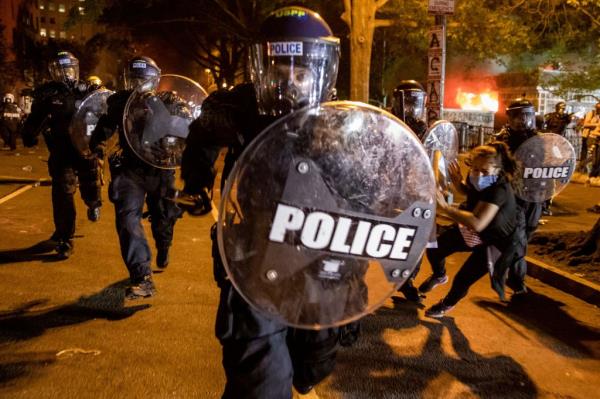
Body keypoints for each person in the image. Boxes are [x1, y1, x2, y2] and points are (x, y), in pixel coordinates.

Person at [181, 6, 344, 398]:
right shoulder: (239, 108)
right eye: (279, 73)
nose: (291, 84)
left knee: (310, 369)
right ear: (261, 71)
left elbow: (365, 184)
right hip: (255, 259)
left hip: (320, 265)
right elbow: (202, 135)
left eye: (302, 73)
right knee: (261, 382)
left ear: (320, 73)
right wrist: (197, 184)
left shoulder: (342, 120)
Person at [89, 56, 183, 299]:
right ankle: (142, 276)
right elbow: (105, 127)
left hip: (160, 169)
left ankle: (164, 245)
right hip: (131, 170)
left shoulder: (168, 100)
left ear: (155, 80)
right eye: (135, 79)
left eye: (144, 79)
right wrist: (95, 143)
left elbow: (182, 128)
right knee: (126, 219)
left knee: (164, 217)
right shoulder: (120, 101)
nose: (139, 84)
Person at [21, 51, 103, 259]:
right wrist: (29, 135)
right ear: (54, 73)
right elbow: (35, 118)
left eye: (69, 69)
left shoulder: (88, 90)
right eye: (62, 70)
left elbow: (103, 113)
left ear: (76, 69)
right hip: (61, 150)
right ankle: (65, 237)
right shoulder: (48, 94)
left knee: (90, 185)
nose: (66, 74)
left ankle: (93, 203)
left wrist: (101, 143)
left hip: (85, 148)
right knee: (63, 193)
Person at [423, 142, 518, 317]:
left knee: (463, 279)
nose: (478, 175)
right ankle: (440, 275)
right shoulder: (481, 181)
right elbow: (473, 192)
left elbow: (477, 222)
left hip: (494, 242)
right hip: (477, 233)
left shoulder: (499, 190)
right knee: (435, 248)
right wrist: (459, 184)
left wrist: (445, 207)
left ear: (498, 171)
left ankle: (446, 304)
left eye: (484, 171)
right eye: (474, 169)